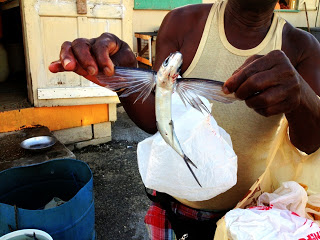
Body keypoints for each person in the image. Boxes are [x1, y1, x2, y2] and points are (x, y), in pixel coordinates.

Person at [49, 0, 320, 239]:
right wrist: (124, 75)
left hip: (251, 215)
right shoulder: (181, 24)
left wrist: (301, 96)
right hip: (174, 205)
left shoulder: (303, 48)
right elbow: (159, 117)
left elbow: (310, 144)